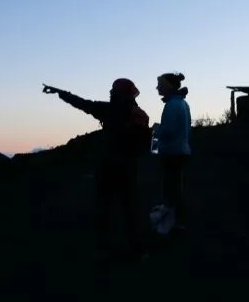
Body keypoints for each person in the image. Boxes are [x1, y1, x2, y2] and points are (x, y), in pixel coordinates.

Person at [42, 79, 152, 261]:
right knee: (130, 209)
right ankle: (137, 249)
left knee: (104, 208)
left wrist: (60, 93)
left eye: (113, 89)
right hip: (128, 168)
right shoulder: (138, 114)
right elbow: (144, 143)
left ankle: (103, 250)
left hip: (108, 167)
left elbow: (82, 103)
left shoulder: (107, 109)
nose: (110, 91)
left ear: (117, 92)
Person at [153, 72, 192, 230]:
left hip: (171, 153)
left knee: (170, 189)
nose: (157, 87)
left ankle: (171, 224)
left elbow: (168, 131)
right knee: (176, 187)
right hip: (181, 151)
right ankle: (177, 222)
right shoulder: (183, 104)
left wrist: (156, 131)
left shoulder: (172, 105)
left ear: (167, 87)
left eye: (160, 85)